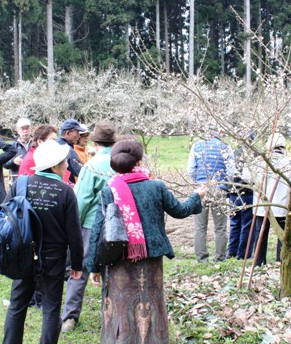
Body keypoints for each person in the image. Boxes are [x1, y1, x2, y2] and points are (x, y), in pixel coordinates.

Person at [85, 139, 206, 343]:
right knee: (151, 305)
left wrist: (93, 267)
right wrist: (197, 196)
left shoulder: (110, 190)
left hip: (118, 258)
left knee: (121, 306)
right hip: (150, 261)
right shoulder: (156, 186)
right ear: (139, 162)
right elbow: (180, 211)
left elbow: (98, 230)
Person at [3, 140, 83, 344]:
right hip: (53, 258)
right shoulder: (66, 192)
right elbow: (74, 232)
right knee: (51, 308)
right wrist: (76, 264)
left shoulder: (20, 183)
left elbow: (5, 218)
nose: (67, 164)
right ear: (55, 166)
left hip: (23, 255)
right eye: (64, 161)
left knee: (17, 305)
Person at [61, 121, 116, 332]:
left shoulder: (91, 166)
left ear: (95, 141)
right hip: (117, 226)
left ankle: (70, 318)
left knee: (79, 269)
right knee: (113, 269)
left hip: (91, 225)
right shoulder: (123, 162)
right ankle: (111, 314)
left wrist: (73, 226)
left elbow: (81, 200)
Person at [249, 133, 291, 266]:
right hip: (281, 206)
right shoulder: (290, 163)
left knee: (260, 234)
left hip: (262, 206)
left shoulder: (259, 162)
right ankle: (281, 260)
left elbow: (248, 178)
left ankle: (258, 262)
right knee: (283, 235)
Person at [188, 127, 234, 262]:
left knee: (200, 226)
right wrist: (226, 185)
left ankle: (202, 258)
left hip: (201, 189)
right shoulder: (226, 147)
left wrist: (197, 183)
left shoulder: (197, 146)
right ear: (219, 132)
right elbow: (231, 171)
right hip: (219, 188)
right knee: (220, 227)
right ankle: (220, 257)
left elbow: (191, 169)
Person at [227, 133, 255, 259]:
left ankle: (232, 251)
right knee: (247, 225)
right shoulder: (254, 155)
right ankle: (243, 254)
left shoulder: (232, 152)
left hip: (233, 193)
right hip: (247, 193)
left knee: (234, 223)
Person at [57, 119, 88, 184]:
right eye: (77, 133)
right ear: (68, 133)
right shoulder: (67, 150)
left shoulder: (55, 143)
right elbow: (82, 172)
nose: (79, 137)